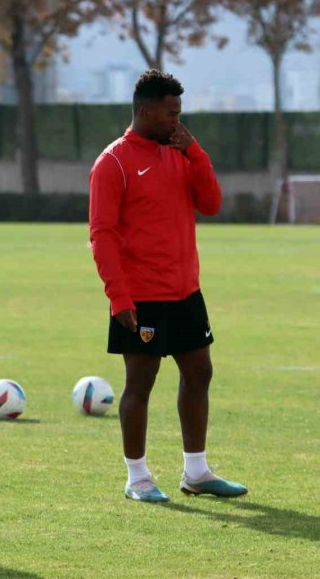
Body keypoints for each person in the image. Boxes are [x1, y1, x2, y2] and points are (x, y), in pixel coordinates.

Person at [88, 69, 247, 503]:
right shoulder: (113, 162)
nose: (177, 121)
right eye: (170, 113)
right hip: (140, 297)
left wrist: (195, 151)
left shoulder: (180, 151)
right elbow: (101, 233)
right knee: (141, 383)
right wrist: (118, 296)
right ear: (144, 111)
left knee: (200, 373)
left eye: (180, 113)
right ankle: (137, 478)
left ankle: (196, 472)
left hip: (185, 292)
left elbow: (211, 204)